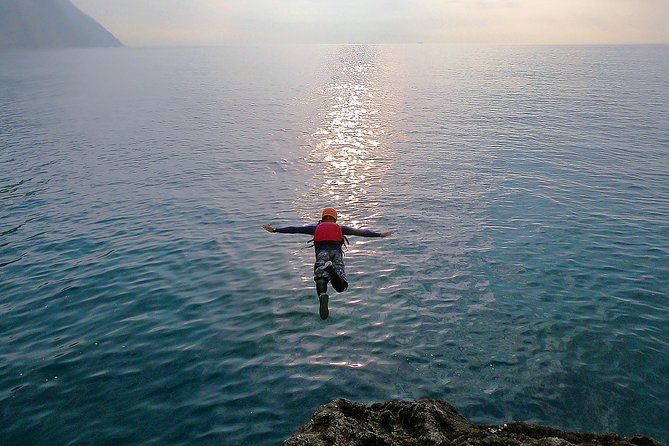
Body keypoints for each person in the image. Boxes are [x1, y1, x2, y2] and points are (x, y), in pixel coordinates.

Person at [263, 208, 393, 320]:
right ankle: (331, 270)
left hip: (322, 254)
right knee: (341, 287)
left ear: (323, 218)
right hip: (336, 254)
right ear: (335, 219)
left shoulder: (315, 228)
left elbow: (296, 229)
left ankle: (322, 295)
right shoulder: (341, 228)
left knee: (320, 278)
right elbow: (360, 232)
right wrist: (379, 234)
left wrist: (275, 230)